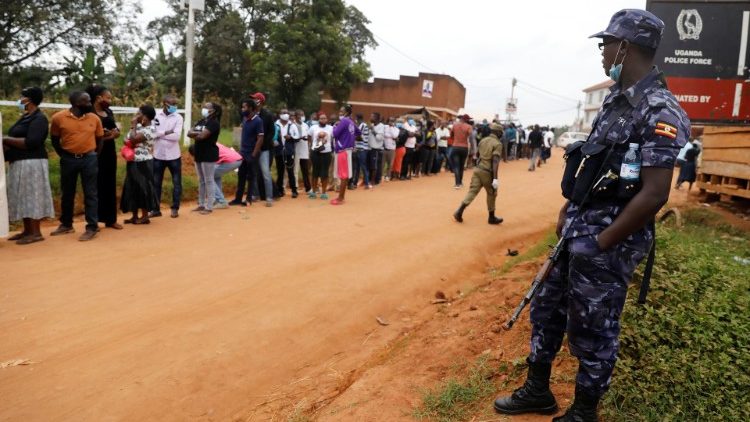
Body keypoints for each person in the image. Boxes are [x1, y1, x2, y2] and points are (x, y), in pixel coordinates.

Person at [493, 10, 690, 421]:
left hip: (609, 243)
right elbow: (596, 167)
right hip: (578, 229)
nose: (602, 52)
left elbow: (654, 193)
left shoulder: (660, 109)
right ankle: (537, 390)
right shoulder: (615, 101)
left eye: (606, 44)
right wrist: (570, 211)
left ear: (625, 47)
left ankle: (583, 412)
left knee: (594, 326)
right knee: (547, 308)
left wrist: (601, 242)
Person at [2, 87, 55, 244]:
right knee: (22, 196)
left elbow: (31, 142)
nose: (19, 99)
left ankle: (36, 232)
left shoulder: (39, 119)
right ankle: (27, 231)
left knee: (32, 196)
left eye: (22, 97)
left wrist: (5, 139)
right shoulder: (26, 117)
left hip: (32, 163)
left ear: (29, 100)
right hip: (20, 162)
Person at [50, 91, 103, 241]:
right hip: (69, 159)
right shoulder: (58, 118)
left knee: (91, 193)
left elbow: (100, 139)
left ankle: (92, 227)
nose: (90, 104)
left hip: (89, 159)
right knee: (67, 193)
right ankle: (66, 224)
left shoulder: (94, 118)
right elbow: (54, 140)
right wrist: (65, 155)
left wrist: (94, 156)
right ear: (76, 103)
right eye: (86, 101)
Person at [453, 123, 503, 225]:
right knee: (492, 193)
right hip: (487, 172)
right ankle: (491, 217)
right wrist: (495, 179)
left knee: (472, 192)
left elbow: (478, 156)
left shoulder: (483, 140)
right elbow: (495, 162)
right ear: (498, 132)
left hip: (478, 170)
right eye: (501, 132)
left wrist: (478, 167)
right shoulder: (497, 144)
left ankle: (459, 211)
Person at [87, 84, 122, 230]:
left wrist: (115, 133)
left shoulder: (108, 111)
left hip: (109, 153)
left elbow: (114, 129)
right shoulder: (89, 113)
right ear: (98, 98)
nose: (110, 100)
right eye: (108, 97)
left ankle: (110, 219)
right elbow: (90, 135)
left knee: (109, 184)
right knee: (95, 186)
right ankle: (94, 220)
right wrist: (108, 137)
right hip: (94, 152)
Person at [121, 105, 159, 224]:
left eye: (139, 113)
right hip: (132, 161)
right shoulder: (138, 127)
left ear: (145, 117)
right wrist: (133, 131)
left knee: (143, 188)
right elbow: (125, 139)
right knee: (132, 187)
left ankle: (145, 216)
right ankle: (134, 216)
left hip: (144, 163)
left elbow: (132, 139)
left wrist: (132, 127)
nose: (137, 115)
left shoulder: (151, 129)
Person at [151, 95, 184, 218]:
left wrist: (159, 134)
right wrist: (166, 132)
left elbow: (176, 136)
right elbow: (152, 133)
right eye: (172, 104)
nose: (174, 107)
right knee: (156, 183)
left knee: (176, 183)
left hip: (174, 156)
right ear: (164, 103)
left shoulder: (178, 117)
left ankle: (175, 208)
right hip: (158, 155)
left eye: (176, 104)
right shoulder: (156, 116)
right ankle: (155, 209)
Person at [187, 102, 221, 215]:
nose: (204, 109)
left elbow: (202, 136)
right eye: (204, 107)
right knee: (201, 180)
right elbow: (188, 133)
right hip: (199, 154)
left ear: (213, 110)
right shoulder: (201, 121)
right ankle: (201, 204)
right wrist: (198, 132)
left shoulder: (214, 123)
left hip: (209, 154)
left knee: (209, 180)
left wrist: (195, 133)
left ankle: (209, 206)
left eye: (207, 107)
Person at [232, 99, 266, 206]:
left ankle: (248, 199)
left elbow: (260, 138)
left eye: (244, 107)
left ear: (251, 108)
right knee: (241, 175)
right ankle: (238, 198)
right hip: (243, 152)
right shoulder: (245, 119)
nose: (243, 109)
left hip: (252, 153)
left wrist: (254, 154)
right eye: (242, 107)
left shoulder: (258, 121)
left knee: (251, 176)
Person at [250, 92, 275, 206]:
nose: (253, 101)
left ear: (260, 101)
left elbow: (271, 132)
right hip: (252, 148)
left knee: (265, 173)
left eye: (255, 99)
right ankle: (255, 194)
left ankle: (269, 197)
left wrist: (262, 143)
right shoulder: (250, 114)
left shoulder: (268, 115)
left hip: (264, 149)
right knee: (253, 172)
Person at [331, 104, 358, 205]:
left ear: (346, 113)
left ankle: (340, 198)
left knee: (343, 175)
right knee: (345, 175)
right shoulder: (351, 121)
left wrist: (335, 126)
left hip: (342, 151)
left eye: (341, 112)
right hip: (348, 150)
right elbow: (358, 132)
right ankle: (341, 197)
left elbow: (334, 134)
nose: (340, 113)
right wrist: (349, 138)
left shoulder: (344, 121)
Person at [274, 109, 299, 198]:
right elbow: (272, 136)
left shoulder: (292, 125)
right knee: (280, 171)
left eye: (287, 113)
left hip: (289, 151)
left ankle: (294, 190)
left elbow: (297, 137)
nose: (286, 115)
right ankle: (280, 190)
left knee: (290, 171)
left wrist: (290, 137)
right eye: (284, 113)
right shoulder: (275, 125)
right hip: (278, 151)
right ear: (279, 115)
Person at [309, 112, 333, 199]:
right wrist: (312, 147)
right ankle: (313, 192)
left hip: (326, 153)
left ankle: (324, 192)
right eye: (321, 118)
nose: (323, 120)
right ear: (318, 119)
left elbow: (334, 138)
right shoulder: (313, 128)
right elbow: (309, 137)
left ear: (327, 120)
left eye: (325, 118)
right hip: (315, 153)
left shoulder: (331, 128)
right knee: (315, 172)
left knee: (324, 173)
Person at [451, 114, 472, 188]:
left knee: (456, 166)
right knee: (461, 166)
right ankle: (460, 182)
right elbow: (470, 135)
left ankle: (457, 184)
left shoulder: (455, 125)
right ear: (466, 119)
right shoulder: (469, 126)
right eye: (468, 119)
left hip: (455, 146)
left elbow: (451, 135)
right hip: (464, 147)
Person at [294, 110, 312, 195]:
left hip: (304, 150)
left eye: (303, 114)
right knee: (295, 170)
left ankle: (308, 188)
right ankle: (295, 187)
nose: (302, 116)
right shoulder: (293, 125)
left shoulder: (306, 125)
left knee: (305, 170)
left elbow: (309, 137)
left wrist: (307, 141)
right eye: (300, 115)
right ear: (296, 116)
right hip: (296, 150)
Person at [351, 113, 371, 189]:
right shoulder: (360, 125)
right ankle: (355, 183)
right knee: (357, 167)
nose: (355, 120)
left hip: (362, 149)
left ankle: (366, 183)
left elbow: (358, 136)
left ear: (358, 118)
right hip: (358, 148)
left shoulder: (363, 125)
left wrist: (351, 137)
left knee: (363, 166)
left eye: (356, 118)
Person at [368, 112, 386, 186]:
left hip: (376, 149)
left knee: (375, 166)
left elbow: (379, 138)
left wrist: (373, 130)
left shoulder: (381, 126)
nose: (370, 118)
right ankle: (369, 179)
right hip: (370, 148)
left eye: (372, 117)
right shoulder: (372, 125)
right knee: (370, 165)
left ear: (376, 118)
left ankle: (374, 181)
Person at [382, 117, 398, 181]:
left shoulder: (396, 129)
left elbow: (394, 136)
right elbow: (383, 134)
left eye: (392, 121)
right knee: (382, 164)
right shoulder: (384, 127)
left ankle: (387, 176)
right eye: (390, 121)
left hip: (392, 149)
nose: (391, 122)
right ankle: (381, 176)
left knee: (390, 164)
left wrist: (391, 128)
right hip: (384, 148)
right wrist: (390, 136)